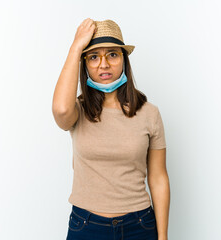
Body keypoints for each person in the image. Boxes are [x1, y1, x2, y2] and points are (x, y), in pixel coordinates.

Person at [53, 18, 170, 240]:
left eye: (112, 55)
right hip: (86, 226)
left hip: (139, 225)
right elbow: (60, 111)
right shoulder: (77, 110)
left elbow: (158, 178)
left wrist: (163, 237)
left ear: (124, 60)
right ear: (84, 63)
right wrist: (76, 47)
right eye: (94, 57)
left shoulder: (149, 113)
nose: (104, 64)